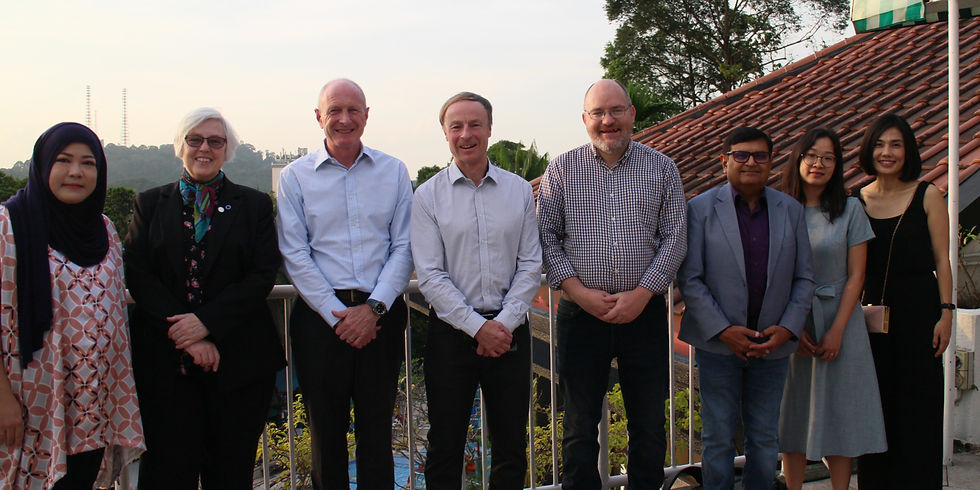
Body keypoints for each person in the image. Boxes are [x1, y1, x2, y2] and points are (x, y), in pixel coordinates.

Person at [537, 79, 687, 489]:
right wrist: (579, 293)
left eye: (616, 110)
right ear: (584, 119)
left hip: (645, 313)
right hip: (581, 314)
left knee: (649, 423)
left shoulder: (662, 167)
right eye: (598, 113)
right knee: (579, 425)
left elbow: (676, 236)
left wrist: (642, 294)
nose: (608, 121)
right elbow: (545, 236)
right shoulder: (562, 169)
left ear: (632, 113)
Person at [124, 108, 284, 489]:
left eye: (215, 141)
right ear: (180, 146)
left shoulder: (255, 206)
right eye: (195, 139)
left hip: (238, 364)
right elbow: (138, 274)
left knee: (230, 472)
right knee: (165, 471)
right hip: (165, 365)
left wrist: (207, 323)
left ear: (228, 150)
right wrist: (189, 334)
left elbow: (261, 274)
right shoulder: (149, 204)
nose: (204, 148)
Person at [276, 79, 413, 489]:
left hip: (382, 315)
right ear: (319, 117)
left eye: (354, 110)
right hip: (320, 319)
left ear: (367, 116)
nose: (344, 119)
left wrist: (372, 310)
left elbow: (404, 247)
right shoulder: (295, 177)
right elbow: (294, 254)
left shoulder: (393, 171)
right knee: (326, 434)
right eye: (334, 110)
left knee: (377, 432)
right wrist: (338, 316)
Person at [0, 122, 144, 489]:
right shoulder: (8, 224)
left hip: (91, 409)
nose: (76, 172)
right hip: (30, 403)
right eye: (64, 161)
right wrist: (3, 401)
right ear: (43, 164)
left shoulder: (105, 230)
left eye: (88, 162)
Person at [412, 92, 541, 489]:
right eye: (456, 126)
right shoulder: (427, 196)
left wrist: (500, 324)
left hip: (509, 331)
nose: (466, 134)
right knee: (445, 444)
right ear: (445, 133)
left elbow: (531, 263)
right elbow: (430, 275)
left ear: (488, 129)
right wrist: (476, 328)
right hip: (451, 335)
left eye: (474, 125)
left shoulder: (518, 190)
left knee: (510, 446)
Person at [677, 126, 815, 490]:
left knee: (766, 438)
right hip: (719, 345)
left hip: (773, 345)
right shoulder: (700, 209)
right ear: (725, 161)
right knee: (718, 438)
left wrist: (786, 329)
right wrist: (724, 331)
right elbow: (691, 279)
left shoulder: (791, 211)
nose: (751, 162)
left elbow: (804, 278)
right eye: (741, 155)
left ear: (772, 161)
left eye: (760, 155)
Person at [777, 127, 886, 490]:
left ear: (837, 164)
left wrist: (837, 330)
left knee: (842, 413)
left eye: (828, 157)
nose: (818, 164)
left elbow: (857, 276)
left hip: (842, 319)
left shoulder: (851, 208)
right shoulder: (779, 208)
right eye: (811, 155)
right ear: (798, 158)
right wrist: (793, 327)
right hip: (792, 320)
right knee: (792, 413)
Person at [855, 113, 951, 489]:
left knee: (919, 408)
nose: (887, 152)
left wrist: (946, 312)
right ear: (868, 150)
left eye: (895, 144)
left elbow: (943, 258)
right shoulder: (856, 200)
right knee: (876, 408)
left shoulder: (928, 193)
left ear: (908, 149)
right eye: (879, 144)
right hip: (870, 318)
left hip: (919, 311)